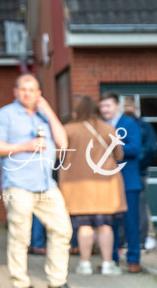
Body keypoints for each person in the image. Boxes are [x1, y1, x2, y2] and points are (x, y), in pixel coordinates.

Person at [0, 73, 72, 288]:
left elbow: (63, 143)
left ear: (39, 93)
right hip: (18, 184)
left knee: (63, 230)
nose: (27, 93)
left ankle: (57, 281)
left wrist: (50, 112)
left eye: (31, 90)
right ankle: (20, 283)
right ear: (16, 92)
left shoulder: (44, 116)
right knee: (20, 236)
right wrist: (25, 146)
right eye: (23, 89)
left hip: (46, 184)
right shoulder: (4, 115)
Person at [60, 95, 126, 276]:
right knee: (105, 226)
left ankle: (85, 264)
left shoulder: (69, 129)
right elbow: (119, 154)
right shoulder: (108, 128)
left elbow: (59, 154)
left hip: (78, 187)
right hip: (106, 185)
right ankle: (107, 264)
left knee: (84, 227)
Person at [99, 91, 143, 272]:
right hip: (107, 181)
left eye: (108, 105)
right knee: (110, 222)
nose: (104, 109)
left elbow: (135, 147)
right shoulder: (100, 125)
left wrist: (113, 148)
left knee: (131, 222)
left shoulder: (129, 123)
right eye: (102, 106)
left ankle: (133, 260)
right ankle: (112, 259)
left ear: (118, 106)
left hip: (128, 181)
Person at [123, 97, 157, 251]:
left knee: (140, 206)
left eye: (130, 107)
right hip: (126, 172)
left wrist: (138, 164)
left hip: (139, 171)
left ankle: (144, 238)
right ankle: (130, 239)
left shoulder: (143, 126)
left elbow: (150, 149)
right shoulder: (124, 125)